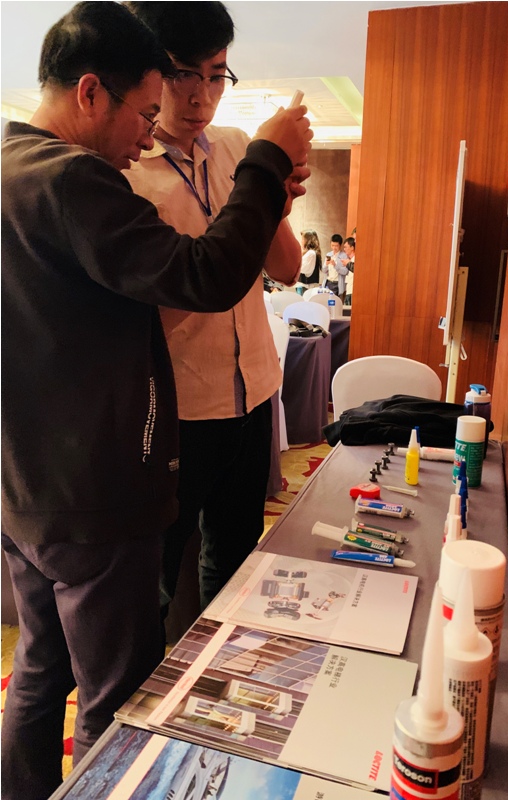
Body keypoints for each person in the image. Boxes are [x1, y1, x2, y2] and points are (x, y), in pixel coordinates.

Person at [0, 3, 311, 798]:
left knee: (42, 670)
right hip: (98, 488)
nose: (146, 134)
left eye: (216, 76)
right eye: (145, 111)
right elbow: (204, 276)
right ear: (91, 93)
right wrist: (268, 162)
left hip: (30, 487)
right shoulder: (78, 180)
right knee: (117, 696)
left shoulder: (11, 164)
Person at [124, 1, 304, 616]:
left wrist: (275, 202)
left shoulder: (238, 149)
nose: (201, 96)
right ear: (149, 70)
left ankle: (220, 670)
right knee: (159, 571)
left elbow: (286, 268)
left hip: (253, 391)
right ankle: (158, 672)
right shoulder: (127, 174)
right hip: (181, 407)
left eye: (216, 74)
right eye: (182, 73)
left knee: (237, 555)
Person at [322, 233, 348, 298]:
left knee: (335, 302)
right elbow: (323, 270)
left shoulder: (344, 256)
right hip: (328, 282)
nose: (334, 248)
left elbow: (345, 271)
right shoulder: (329, 254)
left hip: (337, 283)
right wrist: (326, 264)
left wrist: (335, 265)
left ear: (340, 245)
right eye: (332, 245)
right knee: (326, 301)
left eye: (336, 246)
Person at [341, 236, 356, 306]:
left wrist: (348, 264)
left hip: (352, 291)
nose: (344, 249)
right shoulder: (350, 260)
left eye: (346, 247)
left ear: (352, 247)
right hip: (349, 290)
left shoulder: (355, 260)